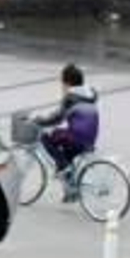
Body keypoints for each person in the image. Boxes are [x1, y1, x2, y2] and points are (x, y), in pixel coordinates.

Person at [34, 64, 100, 202]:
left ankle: (63, 167)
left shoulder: (71, 97)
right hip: (90, 137)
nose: (61, 86)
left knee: (45, 137)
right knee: (66, 153)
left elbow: (57, 118)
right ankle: (71, 192)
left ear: (68, 83)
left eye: (62, 82)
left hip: (77, 136)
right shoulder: (91, 93)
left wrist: (39, 121)